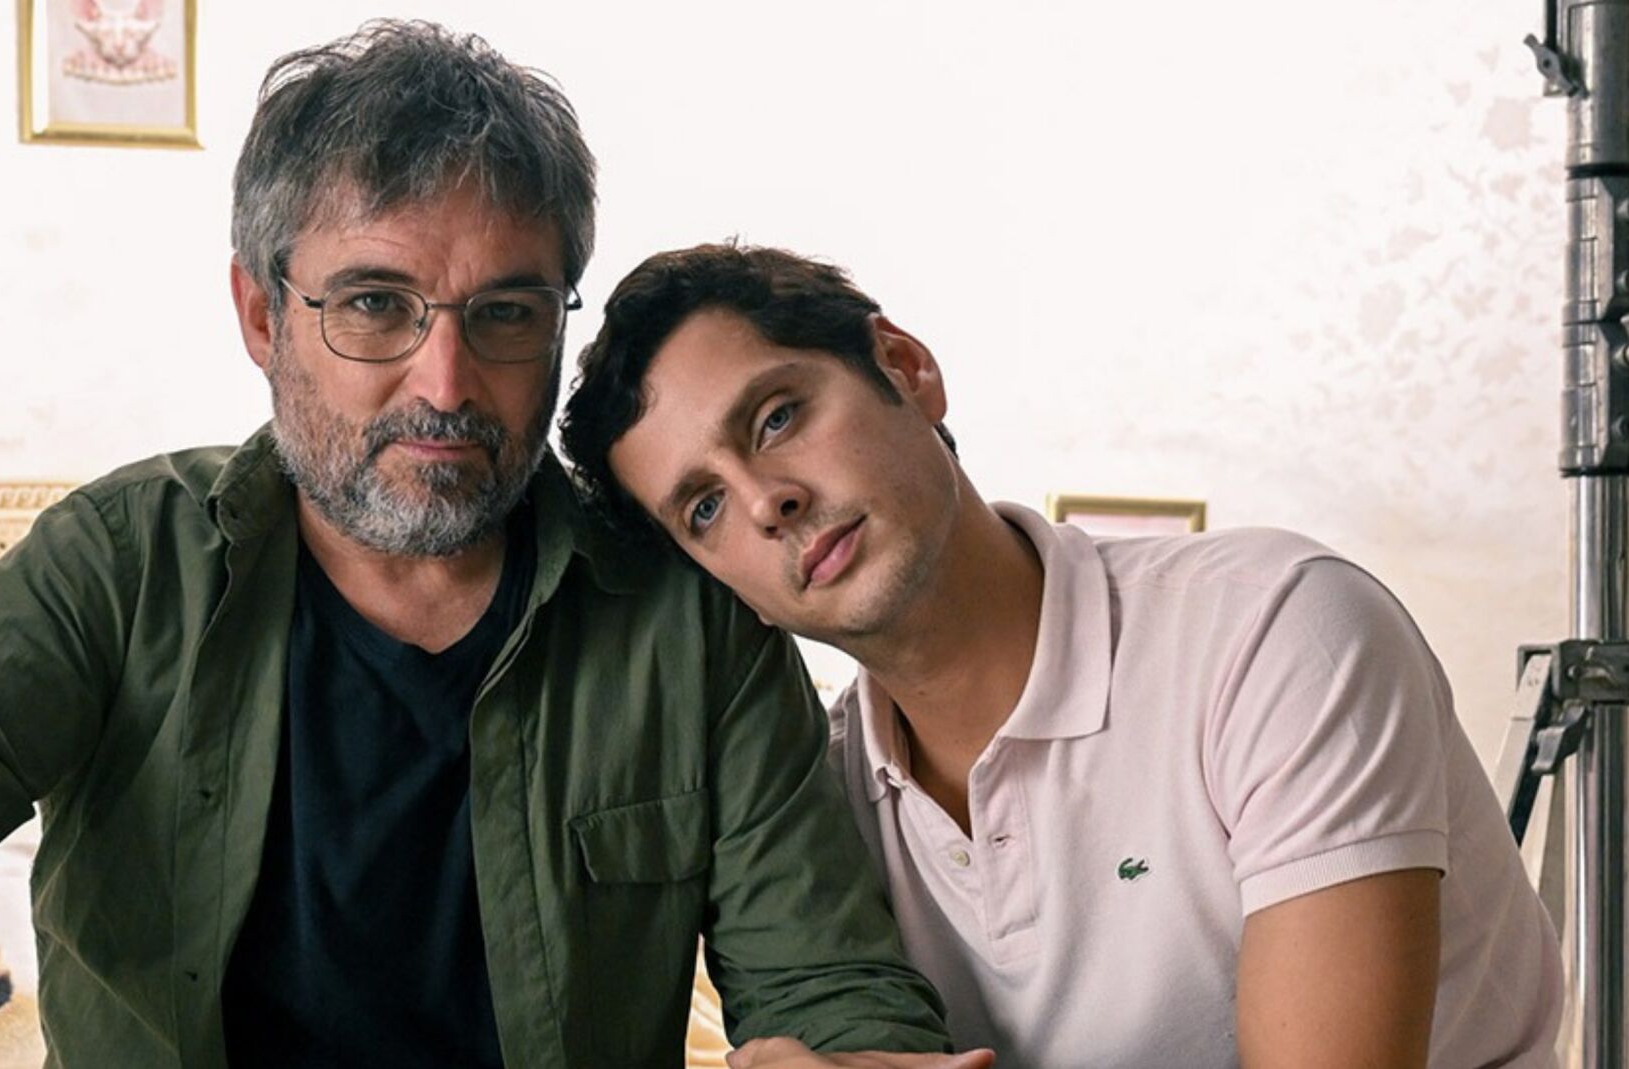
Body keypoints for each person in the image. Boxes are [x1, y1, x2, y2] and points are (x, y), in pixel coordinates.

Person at [0, 27, 966, 1068]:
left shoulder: (686, 617)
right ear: (262, 315)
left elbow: (824, 979)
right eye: (375, 304)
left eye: (505, 313)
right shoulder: (120, 564)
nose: (446, 382)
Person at [561, 242, 1565, 1068]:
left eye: (778, 416)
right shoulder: (815, 802)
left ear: (906, 367)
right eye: (703, 508)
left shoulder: (1276, 628)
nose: (766, 501)